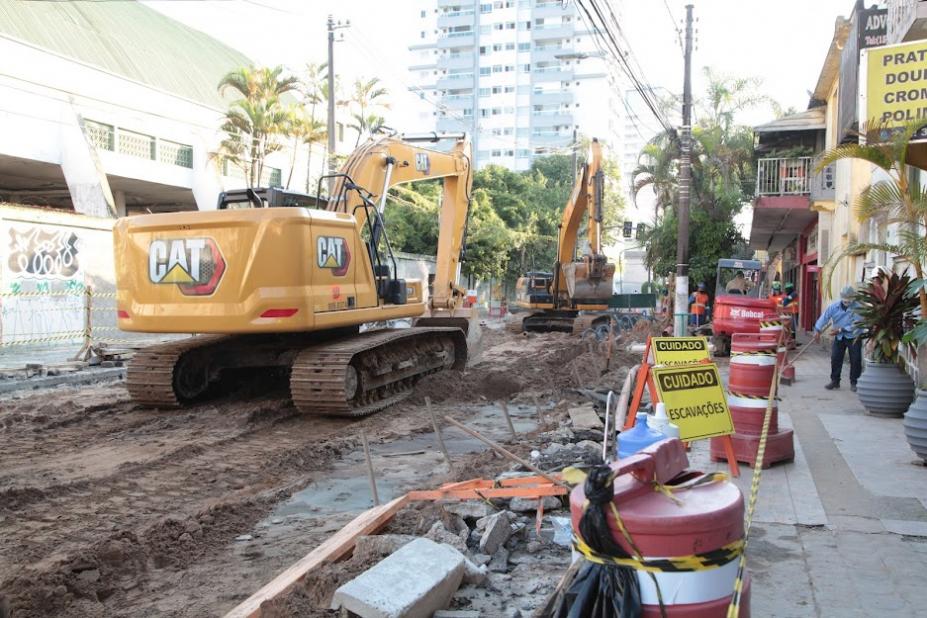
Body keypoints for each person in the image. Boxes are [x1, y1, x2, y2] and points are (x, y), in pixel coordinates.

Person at [813, 285, 863, 391]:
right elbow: (824, 317)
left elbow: (857, 324)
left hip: (854, 336)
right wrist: (817, 330)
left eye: (849, 300)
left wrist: (841, 329)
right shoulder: (834, 307)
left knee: (855, 360)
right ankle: (835, 381)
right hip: (839, 337)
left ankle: (854, 382)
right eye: (845, 300)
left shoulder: (858, 307)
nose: (847, 302)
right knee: (835, 358)